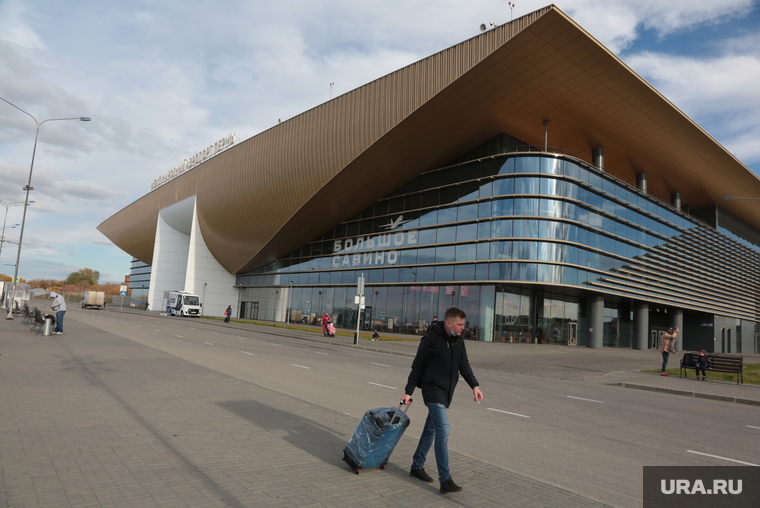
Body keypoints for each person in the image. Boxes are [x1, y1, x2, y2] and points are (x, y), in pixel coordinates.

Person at [401, 307, 483, 494]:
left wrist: (475, 386)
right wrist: (408, 391)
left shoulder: (459, 342)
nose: (463, 328)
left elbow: (464, 366)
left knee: (431, 430)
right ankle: (445, 479)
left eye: (464, 324)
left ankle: (417, 466)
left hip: (446, 392)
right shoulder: (431, 339)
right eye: (460, 324)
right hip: (432, 390)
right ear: (449, 323)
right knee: (443, 431)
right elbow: (418, 366)